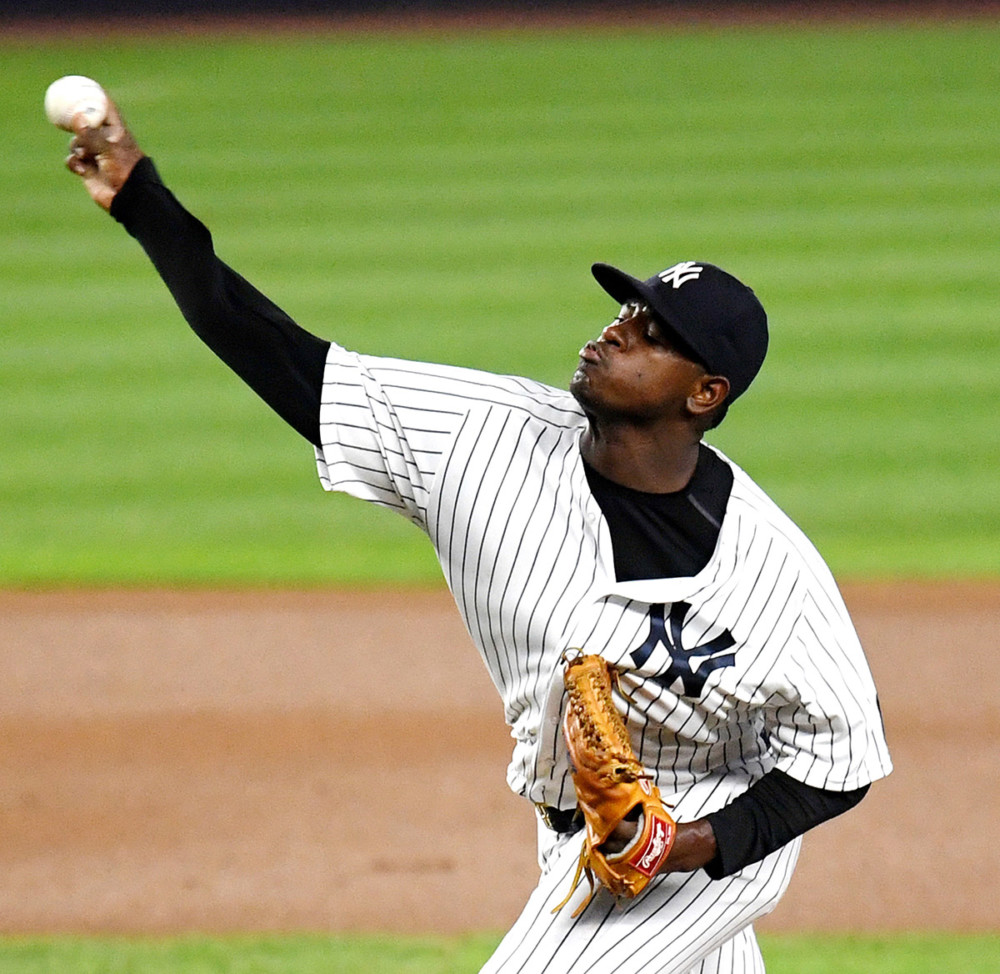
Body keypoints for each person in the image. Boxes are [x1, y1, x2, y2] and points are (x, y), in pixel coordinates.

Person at [63, 98, 891, 974]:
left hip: (699, 843)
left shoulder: (770, 571)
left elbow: (842, 757)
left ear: (704, 395)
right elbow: (269, 347)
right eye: (626, 311)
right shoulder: (478, 440)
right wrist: (138, 197)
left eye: (653, 335)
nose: (617, 331)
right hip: (569, 827)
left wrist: (687, 844)